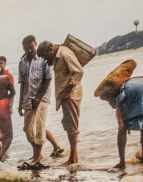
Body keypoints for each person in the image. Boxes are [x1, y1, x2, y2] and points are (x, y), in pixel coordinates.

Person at [49, 36, 91, 168]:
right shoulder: (58, 55)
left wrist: (68, 89)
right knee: (68, 125)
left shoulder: (65, 54)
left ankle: (73, 158)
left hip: (72, 94)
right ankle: (73, 157)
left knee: (72, 127)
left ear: (51, 49)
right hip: (66, 95)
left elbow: (79, 71)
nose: (46, 60)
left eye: (46, 56)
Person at [15, 35, 53, 164]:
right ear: (23, 48)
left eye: (31, 47)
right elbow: (23, 84)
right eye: (26, 48)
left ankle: (37, 157)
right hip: (27, 99)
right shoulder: (22, 63)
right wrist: (20, 105)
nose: (29, 50)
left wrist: (38, 98)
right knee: (27, 129)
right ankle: (37, 154)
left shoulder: (43, 59)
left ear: (35, 44)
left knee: (40, 127)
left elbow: (48, 79)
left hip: (42, 98)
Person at [115, 71, 143, 170]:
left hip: (133, 90)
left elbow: (118, 110)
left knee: (122, 129)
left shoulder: (119, 88)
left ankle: (122, 162)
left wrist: (123, 125)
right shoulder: (133, 79)